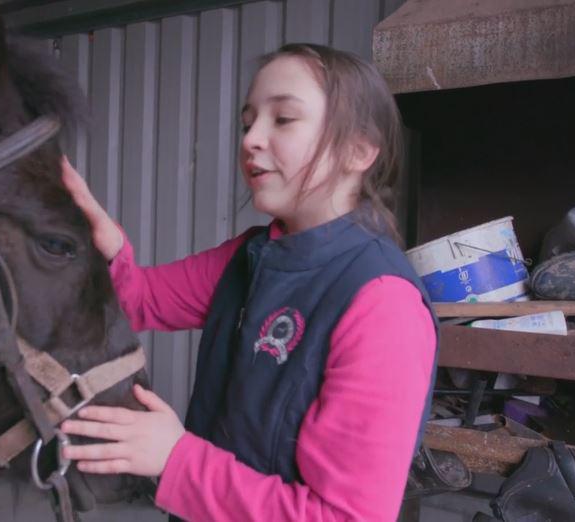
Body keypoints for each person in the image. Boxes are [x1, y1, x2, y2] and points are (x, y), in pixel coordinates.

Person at [59, 43, 438, 521]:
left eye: (282, 119)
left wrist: (177, 460)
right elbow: (138, 300)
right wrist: (103, 246)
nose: (251, 139)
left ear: (358, 150)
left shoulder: (382, 303)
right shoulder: (249, 256)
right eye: (247, 122)